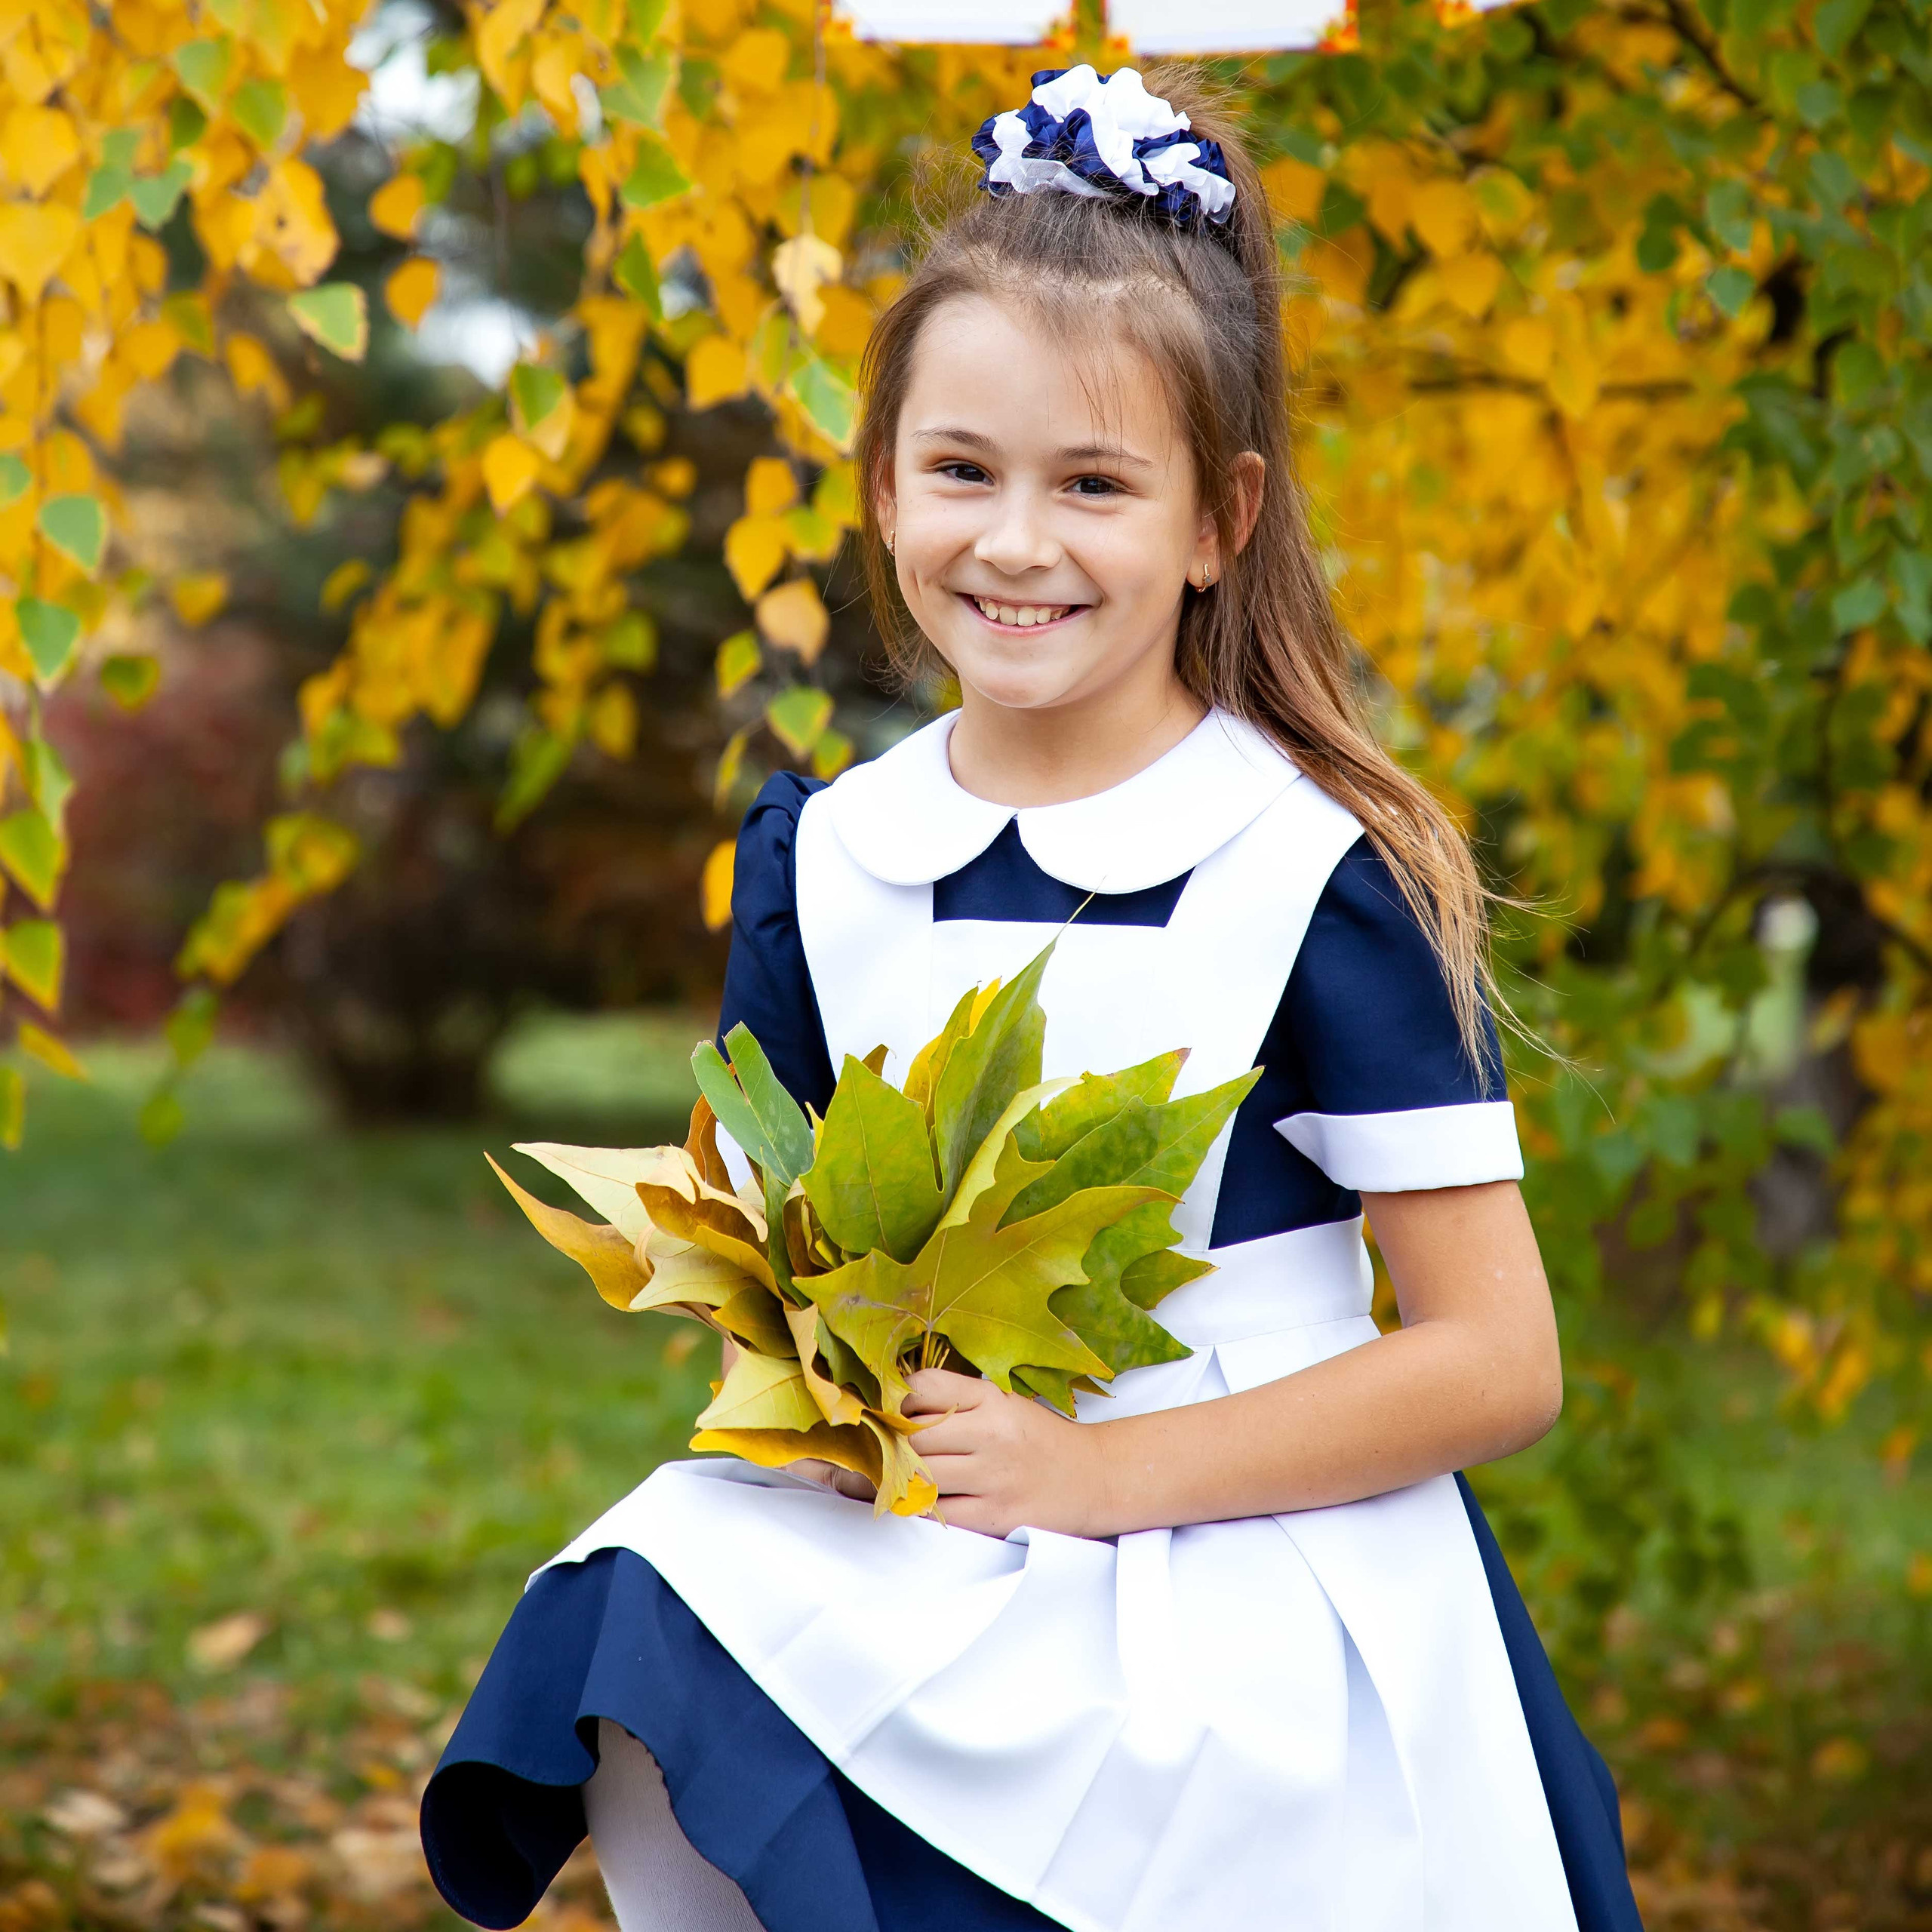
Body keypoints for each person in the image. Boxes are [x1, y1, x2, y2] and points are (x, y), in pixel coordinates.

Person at [420, 62, 1644, 1932]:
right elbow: (783, 1246)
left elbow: (1496, 1357)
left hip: (1262, 1589)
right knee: (650, 1588)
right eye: (961, 471)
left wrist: (1092, 1471)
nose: (1013, 541)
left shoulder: (1311, 869)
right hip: (948, 1546)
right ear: (883, 479)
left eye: (1093, 483)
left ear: (1215, 517)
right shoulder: (826, 856)